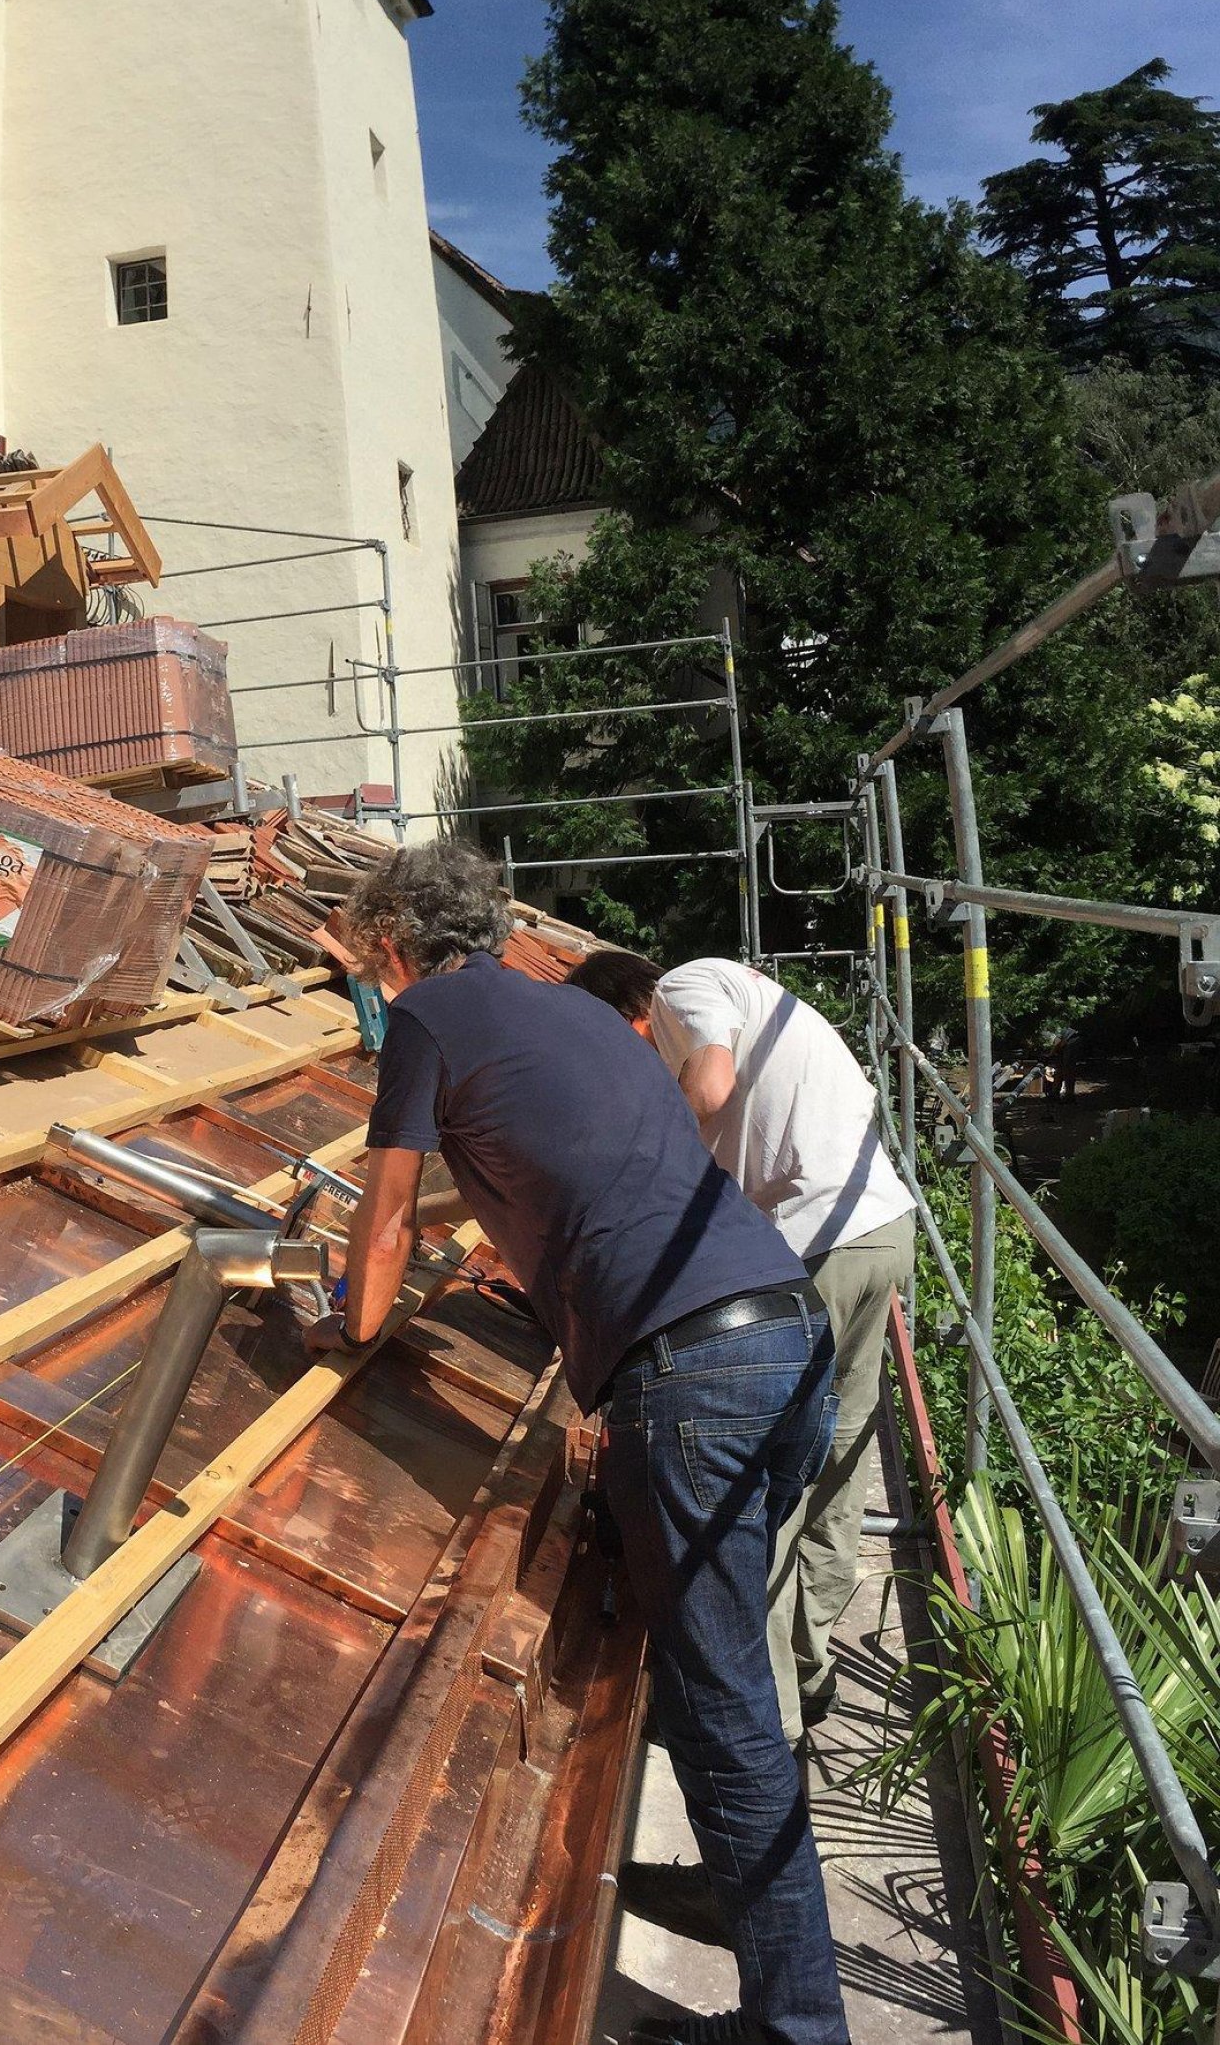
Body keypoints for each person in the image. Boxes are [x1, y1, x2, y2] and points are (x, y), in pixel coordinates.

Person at [319, 842, 847, 2045]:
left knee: (725, 1723)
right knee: (721, 1688)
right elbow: (590, 1173)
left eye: (366, 958)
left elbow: (387, 1214)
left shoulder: (428, 1019)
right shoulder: (571, 1013)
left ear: (392, 944)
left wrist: (348, 1329)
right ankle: (778, 1961)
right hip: (786, 1329)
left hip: (696, 1371)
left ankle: (800, 2030)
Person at [572, 946, 914, 1739]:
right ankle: (811, 1662)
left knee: (764, 1479)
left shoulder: (686, 988)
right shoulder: (760, 1004)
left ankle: (771, 1715)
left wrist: (651, 1163)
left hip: (821, 1243)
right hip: (881, 1229)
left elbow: (710, 1088)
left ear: (629, 1014)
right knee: (836, 1457)